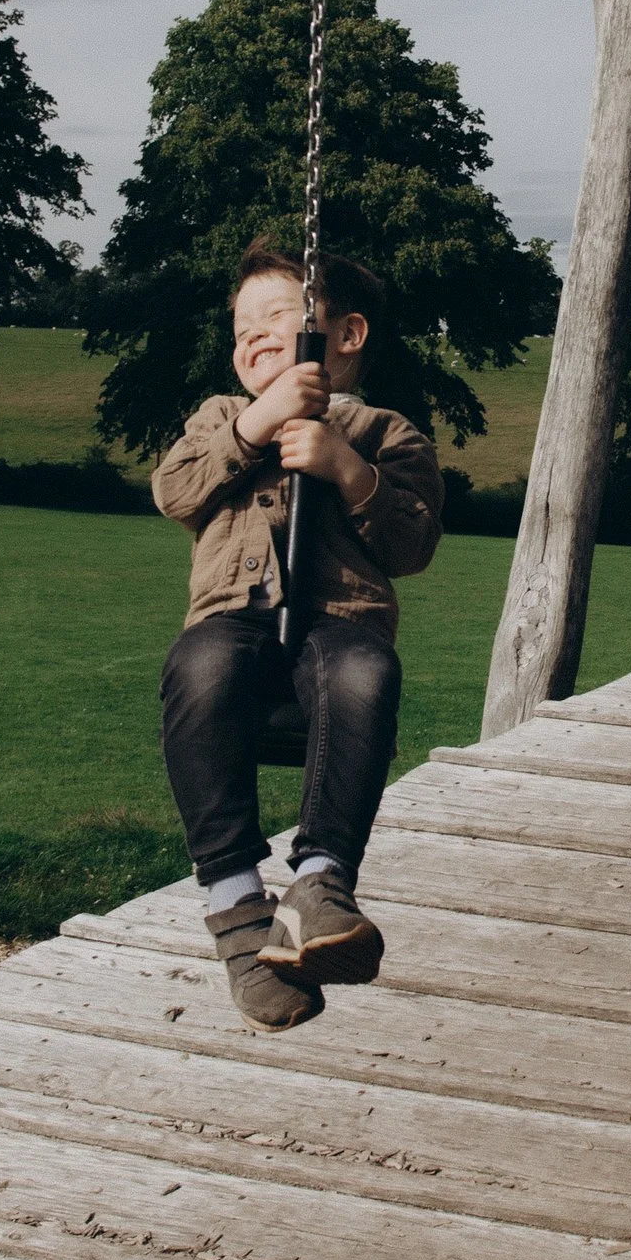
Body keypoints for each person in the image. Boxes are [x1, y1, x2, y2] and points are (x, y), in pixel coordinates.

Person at [154, 247, 442, 1028]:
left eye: (274, 318)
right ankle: (238, 907)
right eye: (241, 329)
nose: (252, 339)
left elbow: (413, 547)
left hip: (341, 625)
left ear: (345, 334)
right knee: (200, 668)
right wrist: (257, 423)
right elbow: (175, 491)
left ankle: (320, 884)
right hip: (231, 620)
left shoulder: (388, 433)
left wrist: (349, 469)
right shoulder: (219, 417)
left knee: (365, 679)